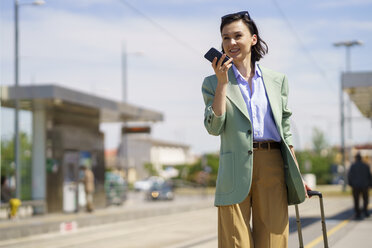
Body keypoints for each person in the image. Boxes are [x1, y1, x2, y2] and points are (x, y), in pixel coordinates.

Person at [201, 11, 310, 247]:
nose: (231, 43)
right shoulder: (212, 82)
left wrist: (296, 175)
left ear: (253, 39)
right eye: (225, 38)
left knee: (273, 239)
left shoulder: (277, 80)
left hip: (272, 164)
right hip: (233, 167)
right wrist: (222, 84)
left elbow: (285, 130)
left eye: (237, 35)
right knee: (235, 242)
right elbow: (214, 126)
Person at [348, 153, 371, 219]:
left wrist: (350, 184)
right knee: (365, 199)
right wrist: (370, 184)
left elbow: (350, 176)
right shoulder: (366, 165)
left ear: (356, 158)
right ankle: (365, 211)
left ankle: (358, 213)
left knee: (356, 200)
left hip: (355, 186)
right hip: (364, 186)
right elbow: (369, 176)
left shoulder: (353, 166)